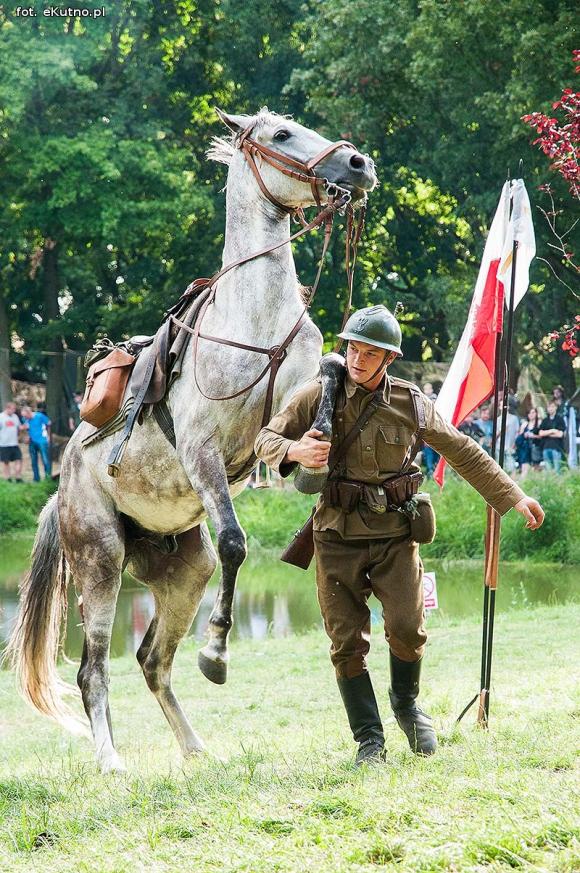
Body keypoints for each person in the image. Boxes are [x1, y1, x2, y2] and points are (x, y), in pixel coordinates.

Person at [254, 305, 545, 765]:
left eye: (371, 353)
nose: (358, 359)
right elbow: (264, 439)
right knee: (346, 642)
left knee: (408, 629)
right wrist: (294, 448)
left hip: (395, 534)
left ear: (389, 359)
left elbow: (463, 451)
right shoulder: (318, 395)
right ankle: (369, 738)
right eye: (352, 348)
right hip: (336, 535)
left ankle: (406, 705)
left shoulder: (411, 402)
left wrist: (513, 497)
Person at [0, 401, 25, 482]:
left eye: (14, 409)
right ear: (7, 408)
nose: (14, 410)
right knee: (6, 462)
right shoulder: (1, 417)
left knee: (19, 459)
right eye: (12, 409)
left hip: (14, 443)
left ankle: (18, 477)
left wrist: (25, 426)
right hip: (4, 444)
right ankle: (8, 478)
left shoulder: (15, 416)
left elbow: (19, 427)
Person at [27, 402, 52, 481]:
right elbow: (26, 427)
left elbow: (49, 423)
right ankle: (36, 478)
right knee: (34, 461)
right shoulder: (26, 419)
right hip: (32, 442)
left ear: (29, 412)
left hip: (42, 440)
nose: (25, 418)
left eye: (26, 416)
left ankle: (48, 477)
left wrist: (48, 436)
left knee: (45, 459)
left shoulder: (39, 416)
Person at [539, 401, 566, 473]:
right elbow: (540, 433)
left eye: (552, 407)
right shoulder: (545, 420)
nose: (550, 409)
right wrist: (553, 430)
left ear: (556, 408)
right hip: (546, 447)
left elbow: (560, 434)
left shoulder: (560, 419)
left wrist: (547, 433)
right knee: (548, 471)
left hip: (556, 448)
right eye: (549, 407)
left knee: (557, 470)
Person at [515, 407, 542, 477]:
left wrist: (533, 436)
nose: (531, 415)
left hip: (535, 448)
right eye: (530, 413)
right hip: (525, 449)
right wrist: (524, 434)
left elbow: (542, 436)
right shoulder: (525, 424)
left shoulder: (539, 423)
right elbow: (519, 437)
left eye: (533, 412)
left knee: (536, 468)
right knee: (525, 468)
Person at [421, 382, 440, 478]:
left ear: (432, 390)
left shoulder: (436, 400)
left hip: (437, 430)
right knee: (428, 452)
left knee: (437, 453)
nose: (427, 391)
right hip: (426, 432)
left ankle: (436, 471)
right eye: (426, 389)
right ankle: (430, 471)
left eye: (429, 389)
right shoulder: (421, 400)